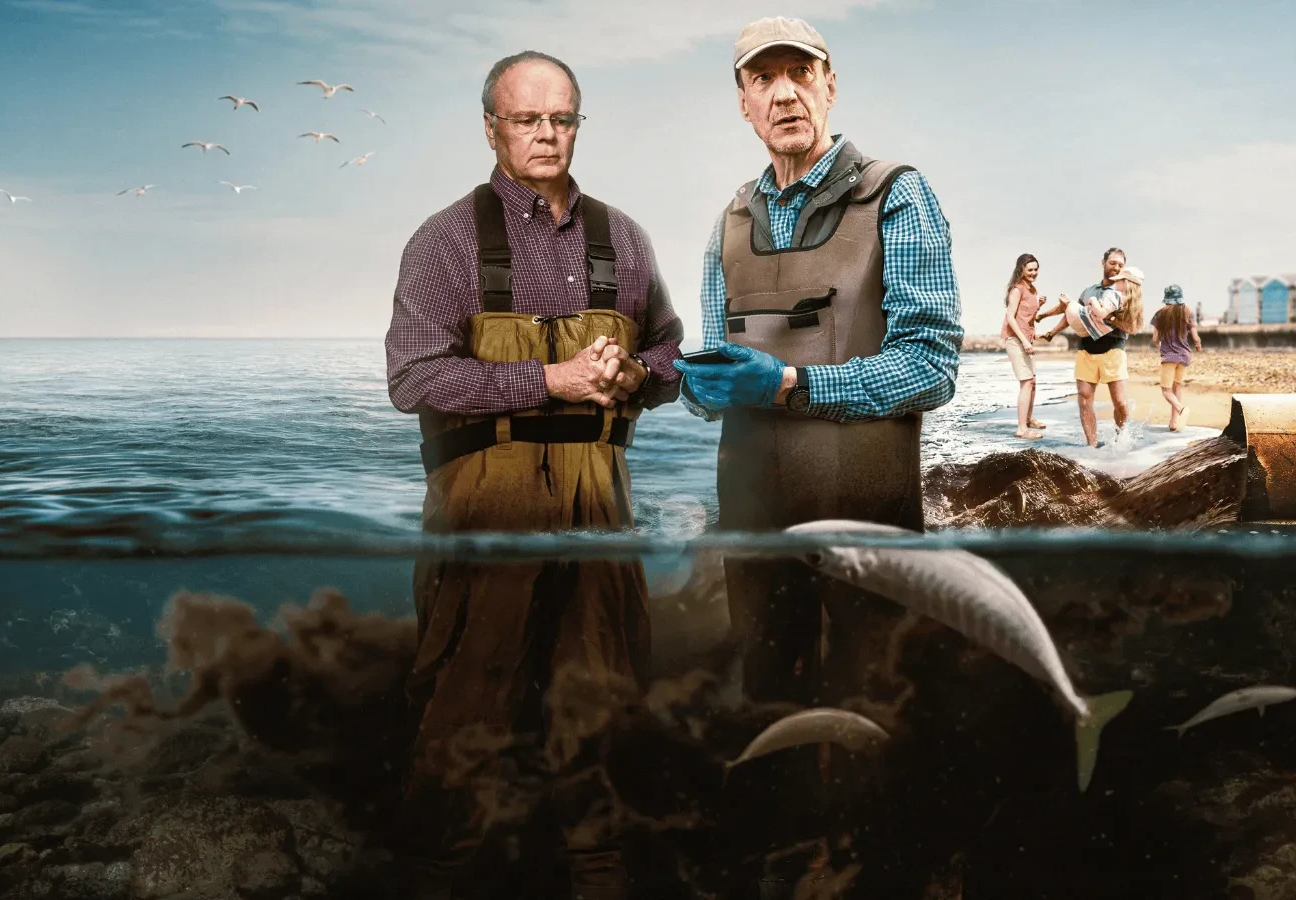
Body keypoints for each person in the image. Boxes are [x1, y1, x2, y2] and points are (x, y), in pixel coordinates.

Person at [670, 15, 964, 899]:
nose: (785, 92)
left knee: (879, 714)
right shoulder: (728, 221)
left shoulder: (899, 196)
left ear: (831, 84)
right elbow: (716, 370)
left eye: (801, 73)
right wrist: (692, 384)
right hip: (755, 530)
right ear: (743, 103)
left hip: (869, 525)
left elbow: (932, 364)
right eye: (765, 80)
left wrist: (794, 389)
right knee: (771, 710)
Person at [382, 50, 684, 900]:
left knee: (604, 691)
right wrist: (547, 381)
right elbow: (412, 378)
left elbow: (669, 353)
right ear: (491, 128)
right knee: (465, 704)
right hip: (485, 509)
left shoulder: (623, 237)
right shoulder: (445, 241)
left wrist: (639, 377)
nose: (547, 135)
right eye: (527, 120)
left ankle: (600, 869)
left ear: (577, 125)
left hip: (601, 507)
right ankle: (439, 870)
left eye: (562, 119)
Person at [1035, 248, 1137, 447]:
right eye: (1112, 262)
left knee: (1120, 402)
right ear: (1103, 263)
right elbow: (1070, 313)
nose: (1115, 267)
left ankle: (1121, 436)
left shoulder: (1123, 294)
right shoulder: (1088, 291)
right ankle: (1092, 445)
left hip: (1113, 349)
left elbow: (1131, 323)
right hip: (1086, 348)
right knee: (1084, 398)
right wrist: (1051, 331)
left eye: (1120, 264)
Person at [1002, 252, 1047, 439]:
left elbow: (1028, 317)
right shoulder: (1017, 289)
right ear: (1021, 269)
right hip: (1015, 339)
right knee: (1026, 382)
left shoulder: (1032, 290)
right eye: (1030, 269)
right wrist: (1024, 341)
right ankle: (1021, 429)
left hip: (1026, 339)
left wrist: (1040, 305)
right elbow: (1011, 318)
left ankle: (1028, 419)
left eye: (1036, 269)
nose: (1034, 273)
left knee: (1032, 381)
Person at [1151, 284, 1202, 431]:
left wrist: (1162, 347)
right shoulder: (1187, 311)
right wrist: (1197, 345)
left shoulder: (1160, 313)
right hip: (1184, 355)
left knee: (1166, 391)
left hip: (1169, 357)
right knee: (1177, 387)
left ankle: (1181, 409)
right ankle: (1173, 423)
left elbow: (1155, 338)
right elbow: (1195, 336)